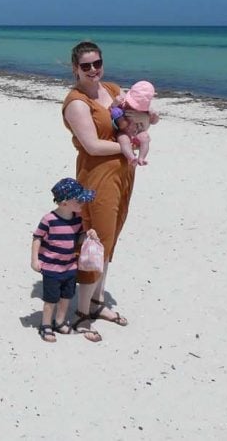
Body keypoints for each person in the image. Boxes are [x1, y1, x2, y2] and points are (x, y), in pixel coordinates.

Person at [62, 41, 157, 339]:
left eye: (97, 63)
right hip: (97, 177)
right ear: (75, 69)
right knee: (96, 242)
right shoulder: (77, 102)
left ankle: (97, 302)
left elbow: (132, 122)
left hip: (124, 175)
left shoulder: (114, 90)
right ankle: (81, 313)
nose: (93, 70)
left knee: (111, 238)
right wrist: (128, 147)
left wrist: (146, 124)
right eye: (86, 66)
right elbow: (92, 144)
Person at [31, 178, 102, 343]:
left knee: (66, 297)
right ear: (64, 203)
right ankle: (46, 325)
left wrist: (89, 234)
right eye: (78, 201)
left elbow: (78, 238)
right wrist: (34, 259)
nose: (82, 204)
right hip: (51, 268)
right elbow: (37, 238)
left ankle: (60, 322)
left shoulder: (77, 218)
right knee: (51, 299)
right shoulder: (48, 220)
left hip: (70, 266)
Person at [111, 80, 156, 166]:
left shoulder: (145, 110)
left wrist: (153, 115)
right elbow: (113, 111)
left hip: (137, 132)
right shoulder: (123, 104)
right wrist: (114, 104)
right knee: (123, 139)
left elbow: (154, 121)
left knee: (145, 138)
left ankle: (141, 158)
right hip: (124, 131)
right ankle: (131, 157)